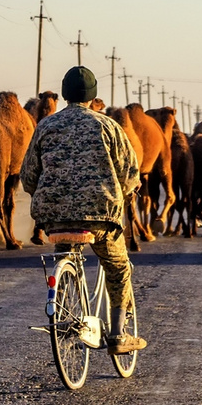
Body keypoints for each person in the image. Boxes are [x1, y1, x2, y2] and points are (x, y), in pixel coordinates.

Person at [20, 65, 149, 354]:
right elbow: (129, 174)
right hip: (100, 217)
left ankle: (65, 307)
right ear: (93, 95)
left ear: (65, 94)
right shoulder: (108, 126)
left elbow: (28, 175)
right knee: (117, 269)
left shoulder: (45, 126)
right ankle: (118, 334)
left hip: (54, 216)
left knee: (64, 254)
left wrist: (49, 199)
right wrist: (128, 191)